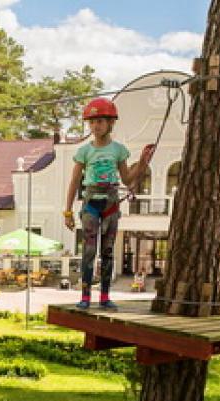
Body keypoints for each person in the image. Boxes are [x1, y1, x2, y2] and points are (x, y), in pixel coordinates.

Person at [64, 97, 155, 310]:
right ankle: (85, 295)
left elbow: (128, 179)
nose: (95, 126)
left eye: (100, 121)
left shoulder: (118, 150)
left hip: (111, 203)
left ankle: (104, 296)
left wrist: (143, 162)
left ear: (110, 123)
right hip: (91, 203)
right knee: (89, 251)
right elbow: (75, 181)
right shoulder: (84, 152)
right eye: (92, 122)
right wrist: (67, 211)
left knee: (107, 251)